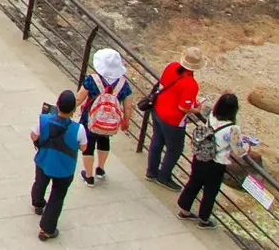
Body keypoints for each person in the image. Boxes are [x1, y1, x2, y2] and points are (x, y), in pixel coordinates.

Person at [178, 92, 253, 226]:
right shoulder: (233, 128)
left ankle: (184, 210)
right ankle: (204, 219)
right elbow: (238, 150)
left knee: (194, 183)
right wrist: (247, 146)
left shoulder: (212, 116)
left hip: (200, 156)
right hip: (216, 164)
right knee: (210, 192)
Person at [145, 47, 204, 187]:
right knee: (175, 149)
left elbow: (165, 84)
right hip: (172, 120)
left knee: (157, 140)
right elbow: (183, 107)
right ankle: (164, 177)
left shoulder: (171, 66)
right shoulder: (191, 84)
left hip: (158, 108)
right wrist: (196, 109)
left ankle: (151, 172)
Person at [32, 89, 86, 240]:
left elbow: (33, 135)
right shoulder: (78, 129)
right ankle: (47, 229)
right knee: (57, 196)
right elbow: (83, 147)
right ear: (74, 109)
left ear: (57, 105)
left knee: (40, 183)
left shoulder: (43, 120)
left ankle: (38, 203)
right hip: (65, 168)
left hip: (44, 160)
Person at [78, 48, 133, 185]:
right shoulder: (123, 84)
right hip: (109, 121)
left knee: (88, 146)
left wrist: (68, 108)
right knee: (104, 141)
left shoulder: (92, 80)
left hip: (90, 119)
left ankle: (89, 176)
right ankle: (100, 169)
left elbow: (79, 98)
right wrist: (126, 122)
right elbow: (128, 106)